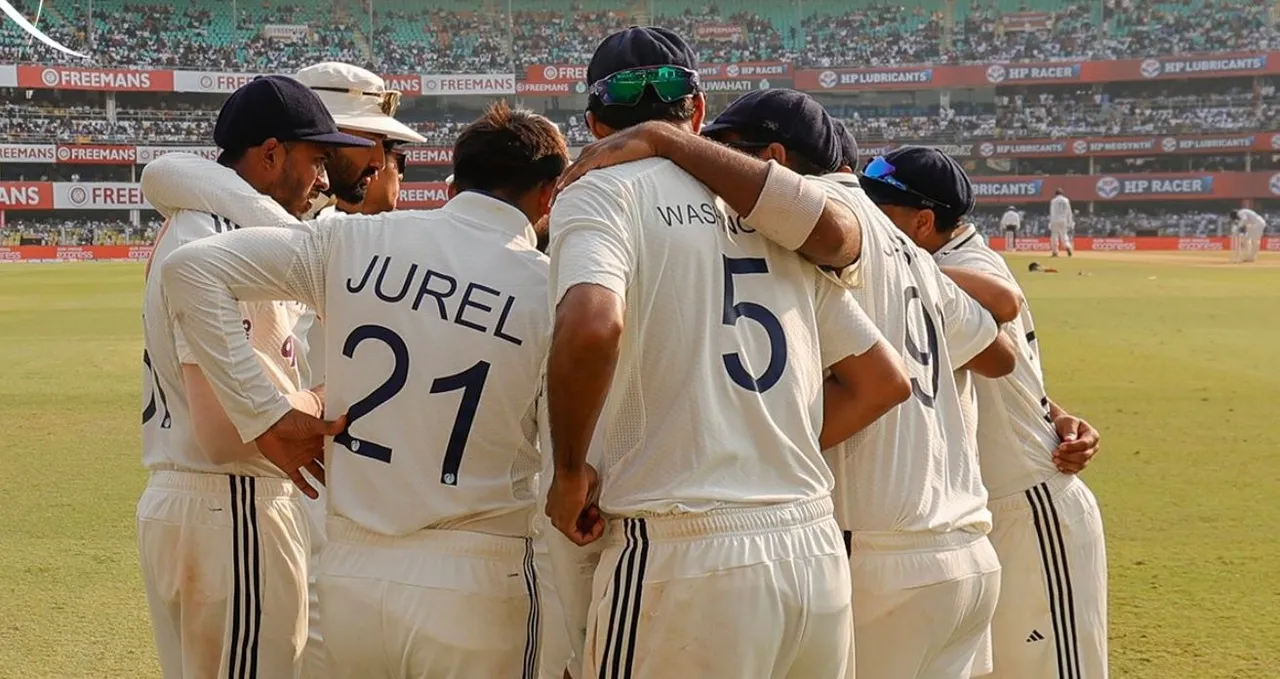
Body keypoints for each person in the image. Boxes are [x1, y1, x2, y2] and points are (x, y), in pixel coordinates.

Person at [562, 94, 1021, 679]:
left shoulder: (814, 219)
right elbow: (997, 350)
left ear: (772, 159)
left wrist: (667, 138)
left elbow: (827, 243)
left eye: (721, 154)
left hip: (877, 545)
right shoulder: (902, 244)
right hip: (961, 548)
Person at [545, 29, 911, 679]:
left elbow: (592, 327)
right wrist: (766, 446)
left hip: (682, 554)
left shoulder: (599, 189)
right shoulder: (766, 207)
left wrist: (570, 469)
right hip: (810, 550)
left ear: (596, 123)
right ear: (697, 109)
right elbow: (879, 379)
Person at [159, 101, 569, 679]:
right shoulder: (550, 289)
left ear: (460, 176)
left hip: (354, 577)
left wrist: (266, 416)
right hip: (477, 573)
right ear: (548, 193)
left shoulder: (354, 241)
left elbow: (191, 271)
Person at [139, 61, 424, 679]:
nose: (321, 178)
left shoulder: (200, 221)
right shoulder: (227, 240)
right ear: (270, 156)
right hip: (235, 503)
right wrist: (338, 395)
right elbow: (228, 432)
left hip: (198, 505)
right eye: (313, 160)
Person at [861, 146, 1109, 679]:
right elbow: (1015, 379)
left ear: (923, 222)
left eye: (880, 210)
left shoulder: (957, 273)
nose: (866, 219)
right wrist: (1058, 412)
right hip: (981, 512)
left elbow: (999, 358)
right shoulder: (950, 262)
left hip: (1030, 504)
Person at [1049, 189, 1074, 258]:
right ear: (1062, 194)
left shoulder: (1053, 201)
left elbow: (1052, 212)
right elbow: (1069, 212)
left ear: (1056, 194)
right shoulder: (1066, 200)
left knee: (1054, 236)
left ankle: (1055, 252)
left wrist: (1050, 222)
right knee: (1064, 235)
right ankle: (1067, 246)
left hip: (1055, 220)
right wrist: (1070, 222)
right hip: (1063, 220)